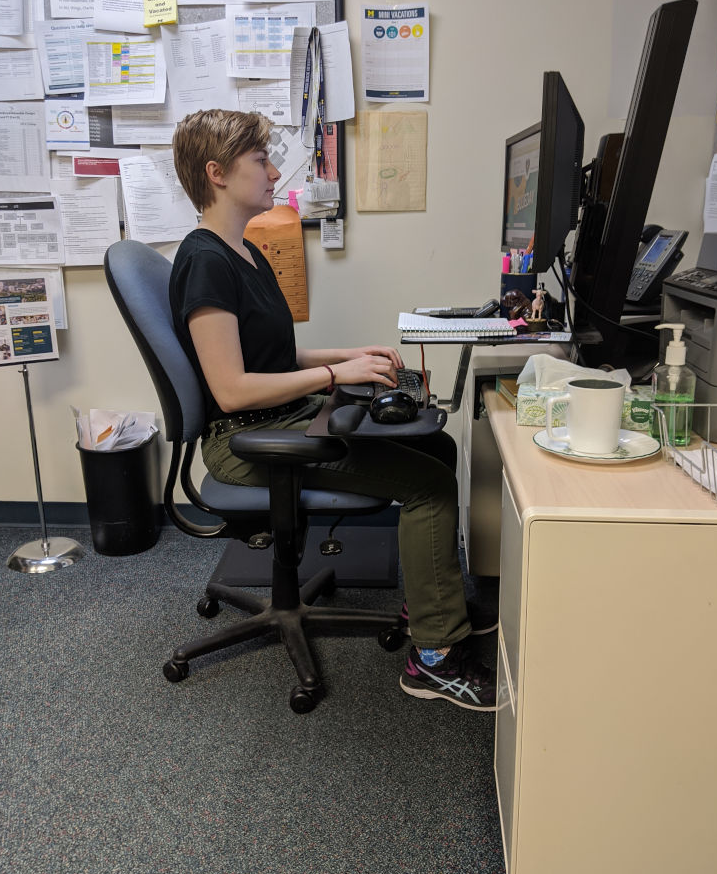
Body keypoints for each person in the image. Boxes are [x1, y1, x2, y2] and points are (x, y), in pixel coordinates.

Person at [169, 109, 496, 711]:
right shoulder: (205, 262)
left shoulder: (244, 252)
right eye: (259, 161)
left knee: (437, 446)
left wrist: (348, 354)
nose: (273, 172)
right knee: (427, 484)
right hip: (250, 441)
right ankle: (435, 658)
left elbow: (274, 352)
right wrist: (333, 375)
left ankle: (430, 602)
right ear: (217, 174)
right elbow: (232, 391)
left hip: (282, 416)